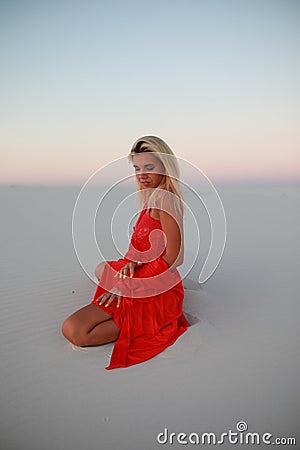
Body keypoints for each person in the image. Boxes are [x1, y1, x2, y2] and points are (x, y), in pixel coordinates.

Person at [62, 136, 190, 369]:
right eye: (137, 168)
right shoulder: (152, 197)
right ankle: (135, 313)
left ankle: (148, 320)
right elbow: (147, 248)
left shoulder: (165, 200)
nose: (142, 174)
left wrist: (127, 286)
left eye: (149, 167)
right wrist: (132, 264)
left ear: (166, 167)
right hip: (140, 271)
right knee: (101, 269)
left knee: (75, 330)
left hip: (156, 284)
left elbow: (175, 257)